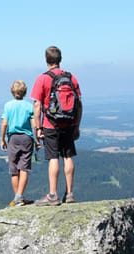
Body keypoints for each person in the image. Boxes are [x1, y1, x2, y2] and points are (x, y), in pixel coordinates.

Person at [31, 46, 82, 206]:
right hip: (68, 123)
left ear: (46, 60)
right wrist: (76, 126)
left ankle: (53, 195)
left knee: (53, 157)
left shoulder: (42, 79)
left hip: (50, 124)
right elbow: (79, 104)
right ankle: (70, 193)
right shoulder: (71, 77)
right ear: (60, 59)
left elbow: (37, 105)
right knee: (67, 156)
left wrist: (38, 128)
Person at [0, 80, 41, 206]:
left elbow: (5, 123)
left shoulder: (8, 105)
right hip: (27, 138)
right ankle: (20, 196)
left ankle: (17, 198)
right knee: (24, 168)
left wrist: (2, 139)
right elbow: (34, 125)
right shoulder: (29, 106)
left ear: (12, 92)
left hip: (13, 138)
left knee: (14, 169)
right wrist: (37, 140)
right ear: (25, 92)